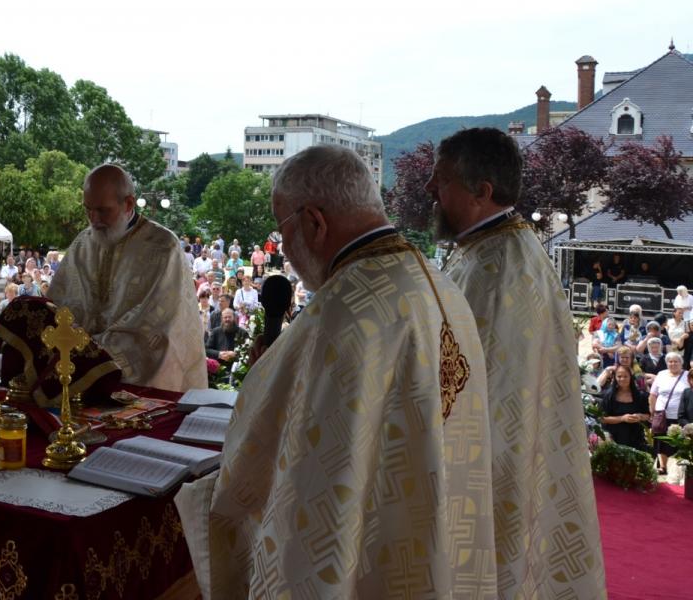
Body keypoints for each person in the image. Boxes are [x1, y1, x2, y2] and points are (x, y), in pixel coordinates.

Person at [176, 145, 495, 597]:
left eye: (283, 231)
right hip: (434, 536)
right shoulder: (439, 283)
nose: (284, 248)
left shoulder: (341, 314)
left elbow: (261, 467)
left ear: (314, 222)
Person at [428, 128, 604, 598]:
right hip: (508, 455)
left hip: (487, 467)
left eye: (440, 179)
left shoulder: (497, 266)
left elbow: (454, 384)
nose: (430, 189)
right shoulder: (501, 249)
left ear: (482, 192)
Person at [49, 163, 206, 392]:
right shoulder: (82, 245)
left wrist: (93, 355)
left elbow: (155, 326)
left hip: (144, 383)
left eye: (103, 210)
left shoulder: (163, 247)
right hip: (78, 378)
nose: (94, 219)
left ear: (129, 204)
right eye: (88, 209)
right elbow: (59, 306)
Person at [651, 352, 690, 475]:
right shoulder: (661, 374)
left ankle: (679, 469)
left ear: (681, 363)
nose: (673, 364)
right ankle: (663, 467)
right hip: (662, 415)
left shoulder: (688, 375)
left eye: (676, 361)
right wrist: (652, 411)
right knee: (661, 441)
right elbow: (653, 394)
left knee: (681, 442)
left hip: (681, 416)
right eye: (670, 361)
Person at [601, 364, 650, 452]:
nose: (622, 379)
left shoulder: (641, 395)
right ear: (615, 377)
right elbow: (602, 418)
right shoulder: (608, 396)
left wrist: (640, 416)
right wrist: (622, 418)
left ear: (631, 377)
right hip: (615, 439)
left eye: (625, 376)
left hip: (636, 438)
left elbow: (648, 415)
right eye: (619, 376)